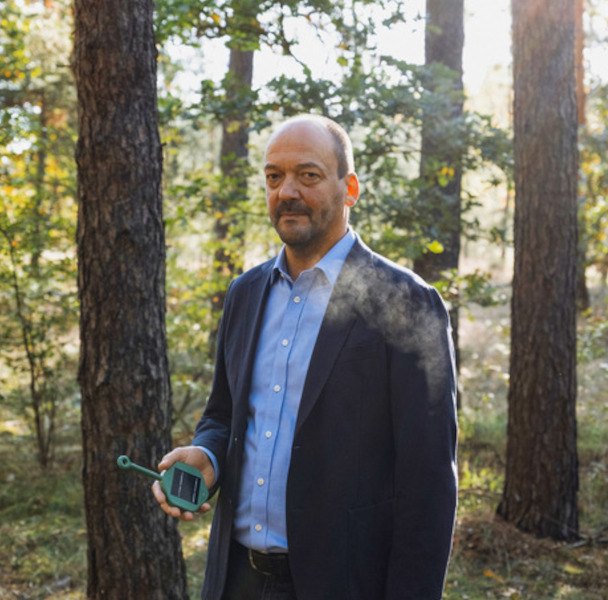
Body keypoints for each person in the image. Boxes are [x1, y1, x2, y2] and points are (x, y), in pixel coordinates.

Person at [153, 115, 458, 600]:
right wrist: (208, 454)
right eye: (274, 177)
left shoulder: (406, 301)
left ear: (349, 188)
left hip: (346, 584)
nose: (287, 191)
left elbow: (429, 482)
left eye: (308, 175)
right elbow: (223, 414)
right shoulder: (245, 293)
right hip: (237, 580)